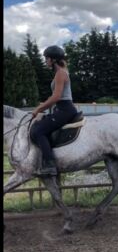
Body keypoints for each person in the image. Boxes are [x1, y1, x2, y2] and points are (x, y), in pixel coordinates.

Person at [30, 45, 77, 175]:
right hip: (61, 109)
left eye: (46, 58)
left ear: (53, 60)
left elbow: (56, 97)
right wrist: (44, 106)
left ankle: (50, 165)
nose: (45, 61)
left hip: (65, 110)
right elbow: (55, 97)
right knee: (42, 125)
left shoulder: (60, 73)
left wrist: (38, 109)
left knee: (39, 131)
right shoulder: (61, 72)